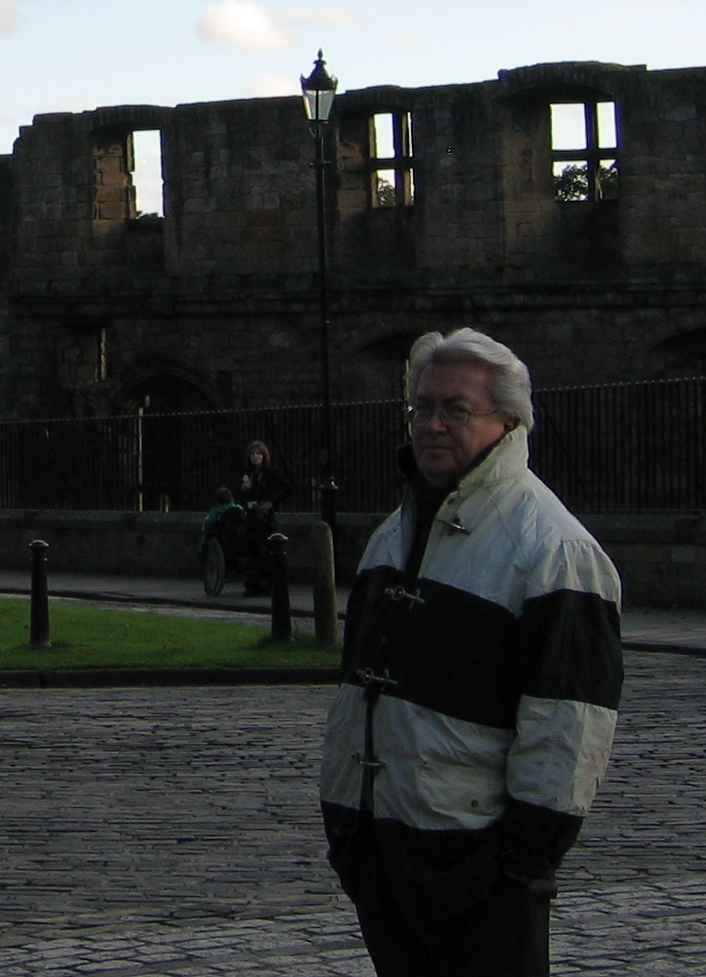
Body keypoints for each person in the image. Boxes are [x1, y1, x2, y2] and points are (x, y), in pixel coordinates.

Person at [320, 328, 624, 977]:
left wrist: (517, 865)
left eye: (455, 409)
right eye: (421, 408)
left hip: (477, 870)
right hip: (383, 853)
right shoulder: (391, 537)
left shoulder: (553, 550)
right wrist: (349, 834)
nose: (431, 425)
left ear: (508, 422)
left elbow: (569, 726)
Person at [234, 440, 290, 595]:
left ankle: (267, 585)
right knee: (253, 553)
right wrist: (244, 490)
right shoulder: (248, 474)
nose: (255, 457)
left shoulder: (271, 473)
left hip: (265, 518)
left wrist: (272, 502)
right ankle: (253, 586)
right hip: (252, 518)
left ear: (264, 456)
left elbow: (287, 489)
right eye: (252, 454)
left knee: (266, 553)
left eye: (258, 453)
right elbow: (243, 497)